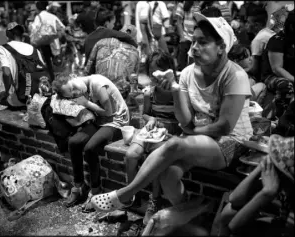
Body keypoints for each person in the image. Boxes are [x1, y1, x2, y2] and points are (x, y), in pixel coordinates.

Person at [90, 13, 253, 216]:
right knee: (168, 173)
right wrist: (175, 89)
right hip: (199, 138)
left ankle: (125, 195)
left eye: (202, 42)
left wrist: (190, 131)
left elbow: (225, 126)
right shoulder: (186, 73)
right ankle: (188, 216)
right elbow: (184, 120)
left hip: (232, 141)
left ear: (221, 47)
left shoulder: (235, 75)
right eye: (193, 41)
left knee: (175, 144)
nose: (194, 48)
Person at [52, 73, 129, 213]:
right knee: (74, 142)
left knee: (90, 148)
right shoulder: (79, 88)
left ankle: (95, 191)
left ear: (74, 76)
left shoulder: (97, 84)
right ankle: (79, 186)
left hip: (116, 121)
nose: (76, 92)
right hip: (98, 121)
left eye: (73, 87)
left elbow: (108, 113)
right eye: (72, 94)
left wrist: (86, 103)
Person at [125, 50, 181, 225]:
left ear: (169, 71)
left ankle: (154, 199)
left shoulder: (177, 91)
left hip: (170, 132)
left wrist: (168, 125)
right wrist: (152, 119)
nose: (154, 78)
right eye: (151, 74)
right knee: (131, 155)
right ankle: (131, 192)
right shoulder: (150, 92)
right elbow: (146, 114)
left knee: (154, 160)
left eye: (158, 73)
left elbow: (183, 117)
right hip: (151, 130)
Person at [218, 135, 294, 236]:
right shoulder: (283, 181)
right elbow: (235, 199)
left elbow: (234, 227)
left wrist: (266, 193)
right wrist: (261, 166)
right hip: (283, 221)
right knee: (229, 212)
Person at [84, 7, 138, 98]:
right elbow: (129, 38)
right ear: (107, 22)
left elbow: (88, 63)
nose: (113, 26)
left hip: (94, 80)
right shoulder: (111, 33)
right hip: (113, 83)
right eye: (113, 23)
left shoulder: (88, 38)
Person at [0, 22, 46, 108]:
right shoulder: (34, 49)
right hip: (38, 97)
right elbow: (43, 68)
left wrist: (6, 93)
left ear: (7, 34)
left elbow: (6, 72)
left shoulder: (3, 48)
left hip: (18, 99)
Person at [261, 11, 294, 119]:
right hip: (272, 76)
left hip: (291, 75)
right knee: (285, 85)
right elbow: (277, 68)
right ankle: (279, 118)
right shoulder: (277, 40)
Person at [31, 1, 65, 81]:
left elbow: (33, 29)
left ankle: (51, 81)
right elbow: (62, 28)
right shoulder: (52, 16)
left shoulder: (38, 17)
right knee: (56, 64)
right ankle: (58, 81)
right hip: (54, 43)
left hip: (42, 43)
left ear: (38, 7)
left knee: (46, 64)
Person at [247, 7, 275, 81]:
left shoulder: (258, 39)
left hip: (267, 78)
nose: (246, 25)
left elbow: (254, 69)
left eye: (248, 22)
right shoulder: (270, 33)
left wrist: (239, 71)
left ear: (256, 25)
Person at [175, 1, 201, 71]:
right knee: (182, 64)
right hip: (186, 38)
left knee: (195, 64)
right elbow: (179, 22)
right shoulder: (182, 4)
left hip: (198, 39)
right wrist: (182, 37)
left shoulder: (202, 4)